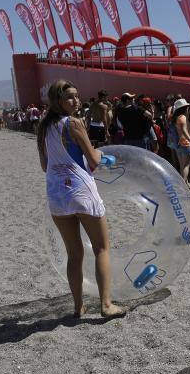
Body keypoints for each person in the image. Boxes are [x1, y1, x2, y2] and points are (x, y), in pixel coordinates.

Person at [36, 80, 125, 319]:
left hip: (56, 195)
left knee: (74, 254)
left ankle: (78, 307)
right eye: (70, 98)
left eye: (76, 97)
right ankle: (107, 305)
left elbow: (45, 165)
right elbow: (93, 160)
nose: (76, 101)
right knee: (102, 248)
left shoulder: (43, 128)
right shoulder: (74, 123)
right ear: (58, 101)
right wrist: (101, 153)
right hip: (81, 191)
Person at [171, 98, 190, 181]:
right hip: (186, 143)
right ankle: (184, 185)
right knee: (186, 166)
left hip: (179, 144)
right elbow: (184, 130)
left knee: (182, 166)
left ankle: (185, 184)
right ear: (184, 108)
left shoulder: (176, 118)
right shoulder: (183, 117)